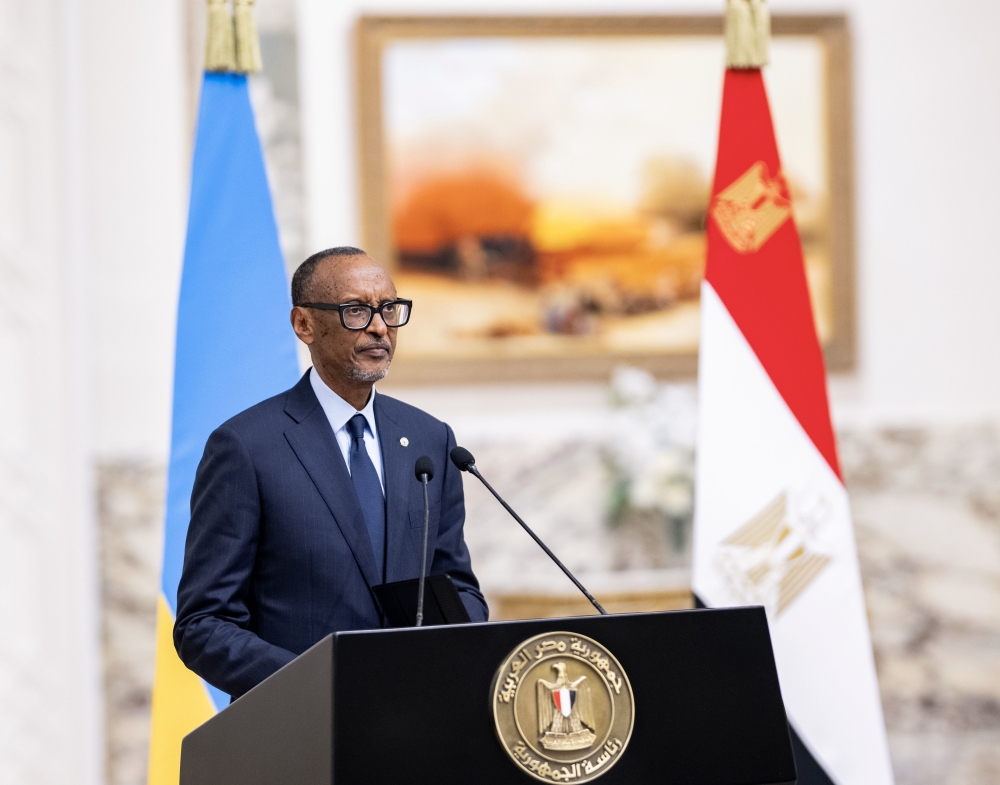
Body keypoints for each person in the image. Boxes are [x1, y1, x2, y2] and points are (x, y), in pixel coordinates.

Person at [174, 246, 487, 700]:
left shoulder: (429, 440)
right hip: (303, 730)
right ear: (304, 324)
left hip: (417, 720)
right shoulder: (247, 447)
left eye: (390, 309)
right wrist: (322, 683)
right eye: (357, 310)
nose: (380, 327)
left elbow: (458, 586)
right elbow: (204, 624)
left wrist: (456, 651)